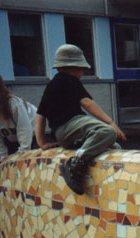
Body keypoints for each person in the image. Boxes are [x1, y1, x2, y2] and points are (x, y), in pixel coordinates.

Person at [35, 44, 126, 195]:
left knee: (113, 146)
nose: (83, 73)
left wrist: (41, 142)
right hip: (69, 126)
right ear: (73, 67)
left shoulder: (51, 85)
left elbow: (40, 115)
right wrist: (111, 123)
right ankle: (75, 165)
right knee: (107, 132)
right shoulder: (69, 80)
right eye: (82, 69)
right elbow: (87, 103)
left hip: (63, 134)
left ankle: (97, 178)